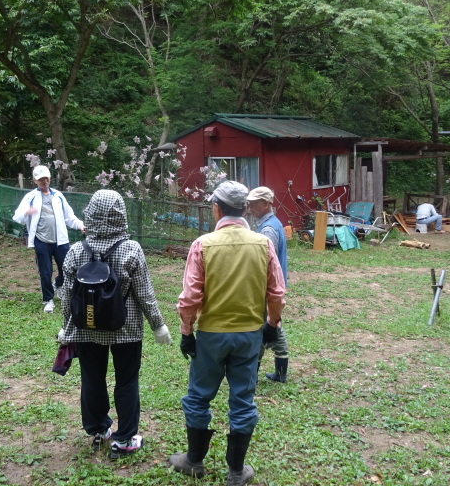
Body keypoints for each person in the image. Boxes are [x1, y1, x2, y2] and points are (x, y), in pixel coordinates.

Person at [169, 180, 286, 486]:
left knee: (198, 396)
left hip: (210, 335)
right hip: (249, 335)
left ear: (217, 208)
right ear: (245, 208)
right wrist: (272, 326)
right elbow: (277, 293)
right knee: (243, 399)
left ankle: (193, 461)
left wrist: (186, 331)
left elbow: (190, 298)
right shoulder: (263, 243)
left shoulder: (203, 244)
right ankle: (236, 471)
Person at [57, 189, 172, 459]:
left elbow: (66, 296)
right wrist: (158, 325)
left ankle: (98, 429)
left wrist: (66, 327)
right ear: (121, 215)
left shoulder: (75, 251)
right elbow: (145, 294)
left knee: (92, 379)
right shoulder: (131, 249)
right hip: (127, 329)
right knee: (127, 381)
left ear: (91, 214)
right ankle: (125, 439)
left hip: (86, 328)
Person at [13, 165, 84, 313]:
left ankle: (58, 285)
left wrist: (80, 225)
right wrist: (27, 211)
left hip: (60, 240)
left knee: (67, 268)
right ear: (35, 181)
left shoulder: (58, 195)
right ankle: (48, 299)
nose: (44, 181)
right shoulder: (30, 197)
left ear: (50, 178)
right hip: (41, 240)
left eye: (46, 178)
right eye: (40, 180)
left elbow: (69, 216)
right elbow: (17, 217)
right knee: (45, 271)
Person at [246, 186, 290, 383]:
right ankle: (279, 374)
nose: (249, 207)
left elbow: (264, 263)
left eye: (253, 204)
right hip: (272, 288)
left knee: (265, 328)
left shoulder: (268, 229)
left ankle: (253, 376)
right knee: (271, 326)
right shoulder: (272, 224)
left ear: (265, 204)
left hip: (266, 288)